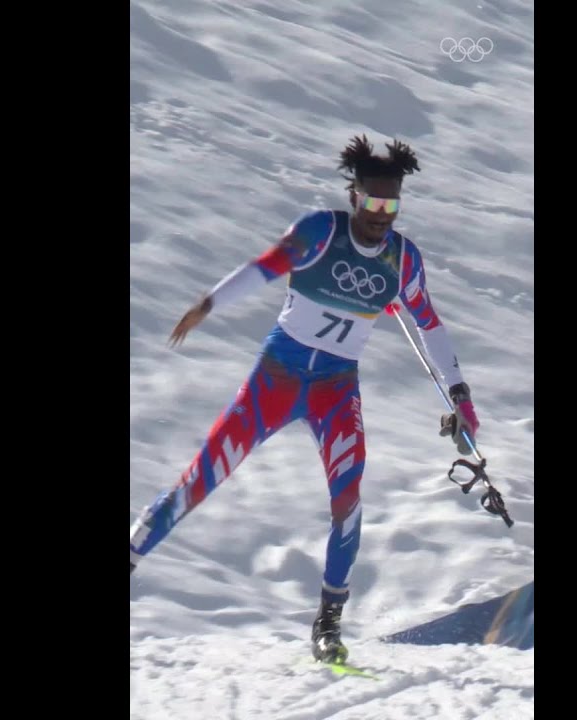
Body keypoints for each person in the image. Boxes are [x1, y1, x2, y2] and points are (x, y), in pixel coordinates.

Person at [129, 135, 482, 663]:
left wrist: (459, 395)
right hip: (277, 378)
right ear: (354, 196)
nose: (381, 215)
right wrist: (209, 303)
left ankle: (328, 623)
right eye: (372, 203)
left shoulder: (402, 258)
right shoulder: (321, 232)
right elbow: (265, 266)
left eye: (392, 205)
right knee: (202, 477)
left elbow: (428, 324)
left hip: (335, 390)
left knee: (348, 497)